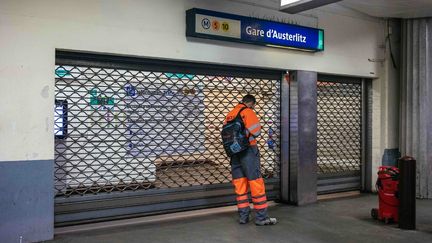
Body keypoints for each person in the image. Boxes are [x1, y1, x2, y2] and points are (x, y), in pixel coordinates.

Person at [224, 94, 277, 226]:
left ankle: (243, 217)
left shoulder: (230, 114)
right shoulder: (247, 111)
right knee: (256, 183)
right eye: (254, 105)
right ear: (251, 103)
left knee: (240, 185)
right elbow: (256, 131)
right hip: (248, 150)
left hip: (235, 153)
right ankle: (261, 218)